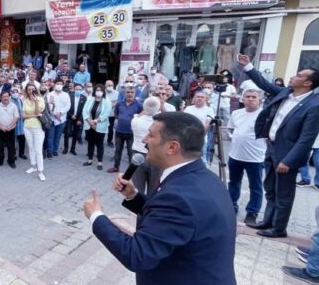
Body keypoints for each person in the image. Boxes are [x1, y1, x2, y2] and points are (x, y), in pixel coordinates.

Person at [83, 112, 236, 285]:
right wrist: (133, 196)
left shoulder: (178, 197)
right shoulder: (204, 178)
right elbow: (172, 221)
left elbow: (137, 255)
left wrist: (96, 216)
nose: (144, 140)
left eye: (151, 135)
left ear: (172, 147)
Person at [237, 54, 319, 238]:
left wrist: (288, 161)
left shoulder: (313, 106)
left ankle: (279, 228)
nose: (292, 77)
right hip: (272, 148)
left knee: (284, 194)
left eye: (298, 75)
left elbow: (306, 138)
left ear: (308, 84)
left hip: (287, 155)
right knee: (271, 188)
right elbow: (265, 85)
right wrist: (248, 66)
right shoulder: (286, 93)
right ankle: (268, 221)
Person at [226, 89, 267, 225]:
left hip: (255, 157)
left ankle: (252, 212)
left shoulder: (264, 115)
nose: (250, 99)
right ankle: (231, 207)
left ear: (260, 100)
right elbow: (230, 129)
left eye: (253, 97)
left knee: (255, 186)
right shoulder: (236, 113)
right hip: (235, 155)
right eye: (247, 97)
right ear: (242, 99)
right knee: (234, 182)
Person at [129, 97, 162, 195]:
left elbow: (140, 115)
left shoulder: (135, 121)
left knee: (137, 189)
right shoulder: (162, 124)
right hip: (155, 157)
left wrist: (147, 107)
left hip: (137, 156)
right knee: (154, 189)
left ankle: (136, 209)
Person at [108, 87, 142, 173]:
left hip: (131, 133)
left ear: (135, 94)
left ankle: (131, 172)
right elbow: (116, 114)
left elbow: (141, 116)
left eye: (132, 92)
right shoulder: (119, 104)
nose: (130, 94)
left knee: (131, 152)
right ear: (124, 93)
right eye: (128, 92)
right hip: (119, 131)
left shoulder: (138, 104)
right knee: (118, 150)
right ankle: (116, 167)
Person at [82, 84, 111, 170]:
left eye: (100, 90)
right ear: (95, 91)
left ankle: (99, 162)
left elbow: (107, 113)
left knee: (99, 144)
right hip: (89, 125)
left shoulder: (106, 101)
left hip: (100, 126)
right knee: (90, 143)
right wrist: (89, 120)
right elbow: (85, 110)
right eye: (97, 90)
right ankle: (90, 160)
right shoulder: (90, 99)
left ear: (103, 91)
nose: (99, 92)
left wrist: (96, 121)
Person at [22, 83, 46, 181]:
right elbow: (23, 116)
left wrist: (36, 102)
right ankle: (33, 166)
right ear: (27, 91)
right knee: (31, 148)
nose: (31, 91)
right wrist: (33, 115)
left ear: (36, 90)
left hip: (38, 127)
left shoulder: (40, 100)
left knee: (38, 149)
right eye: (29, 89)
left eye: (33, 89)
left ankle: (40, 171)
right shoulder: (25, 100)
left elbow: (37, 112)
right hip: (27, 127)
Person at [183, 91, 213, 162]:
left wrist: (200, 136)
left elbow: (208, 124)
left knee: (202, 159)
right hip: (187, 138)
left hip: (201, 138)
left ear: (206, 99)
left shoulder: (209, 110)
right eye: (198, 97)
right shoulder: (188, 108)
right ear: (194, 99)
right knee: (186, 158)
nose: (199, 98)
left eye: (202, 97)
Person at [0, 91, 19, 169]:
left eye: (7, 96)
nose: (6, 98)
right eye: (4, 96)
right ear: (0, 97)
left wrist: (10, 126)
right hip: (0, 130)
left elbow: (16, 117)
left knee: (11, 146)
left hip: (11, 129)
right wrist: (1, 127)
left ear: (9, 97)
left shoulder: (13, 106)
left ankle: (11, 161)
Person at [45, 80, 70, 158]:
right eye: (57, 84)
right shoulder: (49, 94)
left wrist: (61, 113)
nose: (59, 85)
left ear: (63, 85)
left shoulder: (66, 95)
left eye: (61, 84)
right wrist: (55, 114)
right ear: (54, 84)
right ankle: (49, 151)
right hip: (52, 118)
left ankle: (55, 150)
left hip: (62, 119)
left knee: (58, 136)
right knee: (50, 136)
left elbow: (68, 106)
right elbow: (48, 106)